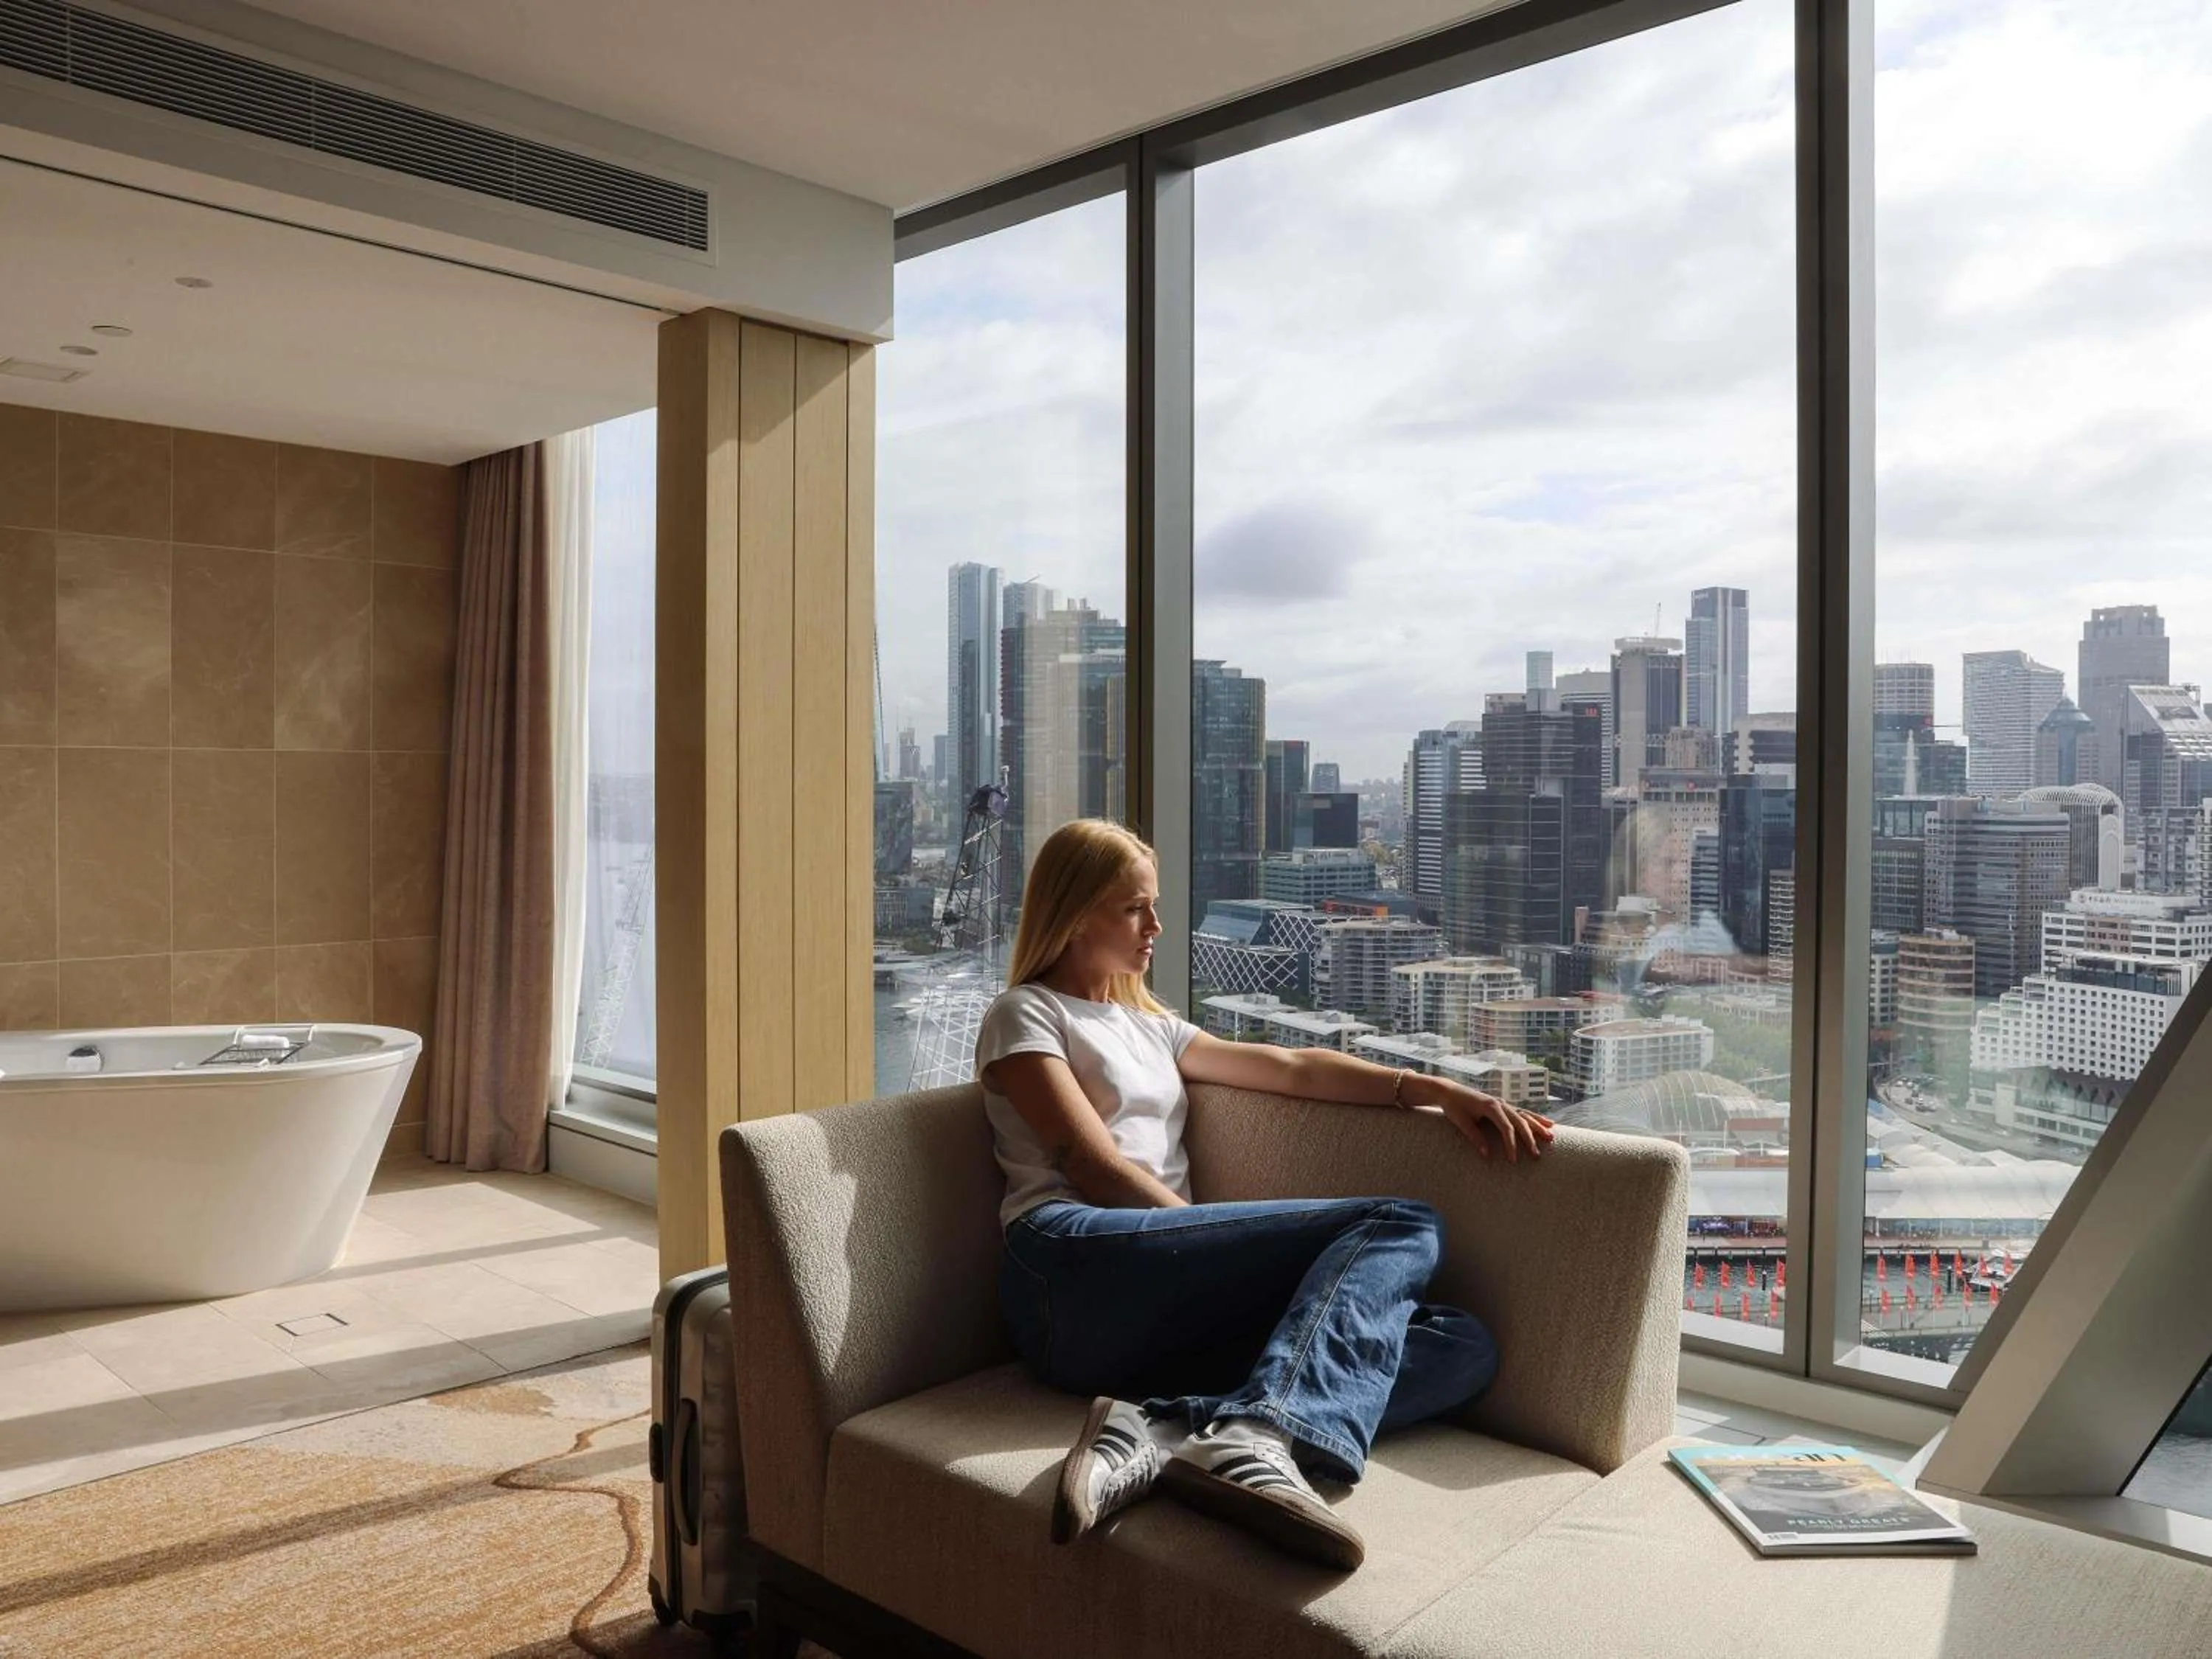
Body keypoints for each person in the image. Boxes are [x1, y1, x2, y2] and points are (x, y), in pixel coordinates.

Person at [974, 818, 1554, 1572]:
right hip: (1064, 1270)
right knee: (1400, 1222)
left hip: (1159, 1317)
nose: (1156, 925)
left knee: (1461, 1344)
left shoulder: (1151, 1029)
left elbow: (1293, 1068)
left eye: (1153, 906)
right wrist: (1210, 1242)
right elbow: (1091, 1166)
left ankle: (1175, 1431)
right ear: (1076, 910)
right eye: (1134, 908)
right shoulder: (1025, 1014)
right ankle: (1263, 1438)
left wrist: (1434, 1090)